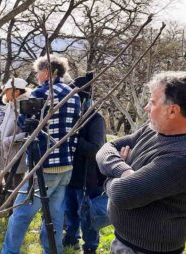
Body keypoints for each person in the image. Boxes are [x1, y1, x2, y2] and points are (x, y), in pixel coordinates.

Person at [96, 71, 186, 254]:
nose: (146, 108)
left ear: (172, 110)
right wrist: (125, 170)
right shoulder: (155, 129)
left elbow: (121, 194)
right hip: (126, 243)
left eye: (152, 102)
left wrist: (108, 175)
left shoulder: (185, 156)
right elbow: (107, 148)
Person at [2, 54, 81, 254]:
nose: (37, 76)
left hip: (43, 164)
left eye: (38, 72)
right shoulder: (74, 95)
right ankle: (53, 251)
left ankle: (9, 251)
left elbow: (24, 124)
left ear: (47, 72)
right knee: (54, 216)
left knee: (21, 213)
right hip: (66, 164)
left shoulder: (41, 93)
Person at [63, 73, 106, 254]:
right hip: (69, 175)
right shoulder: (71, 118)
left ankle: (90, 247)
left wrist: (72, 137)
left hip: (88, 179)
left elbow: (95, 149)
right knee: (70, 212)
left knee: (87, 216)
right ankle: (71, 239)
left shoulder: (96, 119)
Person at [0, 78, 31, 193]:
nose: (5, 92)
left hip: (17, 152)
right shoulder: (10, 105)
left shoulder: (25, 107)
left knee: (16, 184)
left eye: (8, 90)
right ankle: (6, 206)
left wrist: (8, 141)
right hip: (5, 151)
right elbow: (3, 125)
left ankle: (15, 209)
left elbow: (28, 132)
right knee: (7, 181)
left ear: (17, 92)